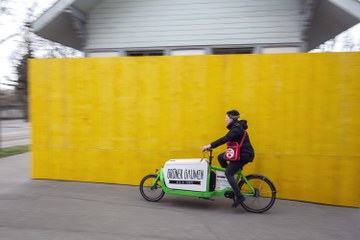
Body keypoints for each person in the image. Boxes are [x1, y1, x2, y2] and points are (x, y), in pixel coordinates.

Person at [202, 110, 254, 208]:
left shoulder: (237, 129)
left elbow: (224, 139)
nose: (225, 120)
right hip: (238, 153)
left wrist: (210, 145)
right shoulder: (236, 127)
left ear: (232, 118)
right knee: (220, 157)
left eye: (226, 118)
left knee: (228, 173)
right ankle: (231, 178)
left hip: (244, 155)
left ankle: (239, 196)